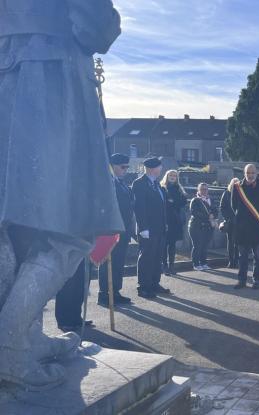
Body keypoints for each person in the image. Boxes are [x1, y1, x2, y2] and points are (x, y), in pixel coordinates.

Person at [0, 0, 123, 390]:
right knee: (69, 228)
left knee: (14, 222)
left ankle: (28, 334)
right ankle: (11, 343)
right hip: (50, 76)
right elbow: (94, 26)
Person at [98, 153, 134, 306]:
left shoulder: (122, 183)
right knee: (107, 263)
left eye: (127, 166)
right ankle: (104, 294)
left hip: (123, 229)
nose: (125, 169)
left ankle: (115, 291)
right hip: (110, 230)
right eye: (122, 167)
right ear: (112, 166)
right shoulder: (107, 183)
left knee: (118, 262)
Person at [132, 156, 170, 299]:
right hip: (147, 229)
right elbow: (139, 207)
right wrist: (143, 228)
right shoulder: (140, 183)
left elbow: (161, 207)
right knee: (146, 257)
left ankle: (154, 283)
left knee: (157, 257)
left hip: (159, 228)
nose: (161, 169)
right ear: (152, 168)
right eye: (159, 166)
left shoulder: (157, 184)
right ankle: (143, 287)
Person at [232, 164, 259, 289]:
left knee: (258, 257)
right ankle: (241, 280)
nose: (250, 175)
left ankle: (257, 280)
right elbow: (234, 206)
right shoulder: (237, 187)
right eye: (248, 173)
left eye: (252, 172)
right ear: (244, 173)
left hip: (257, 226)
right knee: (242, 257)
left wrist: (255, 216)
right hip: (242, 228)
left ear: (257, 173)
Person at [161, 169, 188, 275]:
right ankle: (164, 266)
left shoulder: (179, 188)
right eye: (171, 175)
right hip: (166, 220)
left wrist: (173, 201)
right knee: (164, 245)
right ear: (167, 176)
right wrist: (173, 202)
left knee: (172, 245)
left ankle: (171, 266)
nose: (172, 177)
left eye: (175, 176)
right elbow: (165, 204)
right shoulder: (163, 188)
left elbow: (183, 202)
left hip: (175, 221)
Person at [55, 260, 93, 332]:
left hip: (85, 253)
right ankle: (64, 321)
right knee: (68, 286)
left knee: (81, 284)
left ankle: (76, 317)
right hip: (71, 252)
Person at [189, 183, 218, 271]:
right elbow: (194, 212)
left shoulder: (211, 200)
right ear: (198, 190)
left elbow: (216, 210)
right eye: (202, 189)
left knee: (205, 246)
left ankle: (203, 263)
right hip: (196, 226)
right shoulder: (195, 200)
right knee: (197, 245)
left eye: (205, 189)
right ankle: (196, 264)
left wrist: (213, 215)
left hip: (208, 226)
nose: (204, 191)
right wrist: (208, 217)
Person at [219, 178, 240, 268]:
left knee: (238, 243)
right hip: (231, 222)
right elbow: (222, 207)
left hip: (240, 222)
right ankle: (231, 261)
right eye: (234, 183)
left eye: (237, 183)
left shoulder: (241, 194)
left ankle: (237, 261)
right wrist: (227, 218)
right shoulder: (226, 193)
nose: (235, 184)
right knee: (231, 242)